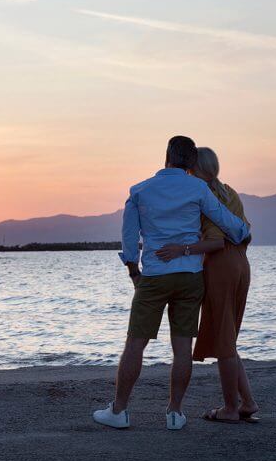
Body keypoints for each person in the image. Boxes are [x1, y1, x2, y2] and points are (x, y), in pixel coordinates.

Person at [92, 136, 250, 430]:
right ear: (190, 163)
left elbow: (129, 238)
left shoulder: (140, 190)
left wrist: (133, 272)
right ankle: (175, 413)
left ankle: (119, 411)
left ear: (166, 156)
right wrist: (242, 231)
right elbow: (227, 222)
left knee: (135, 344)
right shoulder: (198, 188)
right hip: (190, 278)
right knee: (181, 348)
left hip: (154, 276)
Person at [155, 146, 258, 424]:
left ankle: (230, 409)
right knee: (228, 336)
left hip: (220, 266)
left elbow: (214, 242)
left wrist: (181, 249)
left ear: (193, 169)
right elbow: (245, 233)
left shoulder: (202, 195)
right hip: (240, 264)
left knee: (224, 339)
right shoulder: (229, 192)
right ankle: (247, 402)